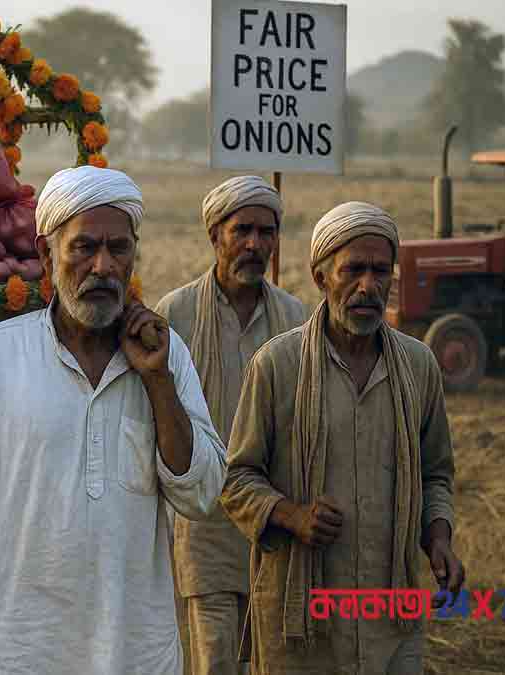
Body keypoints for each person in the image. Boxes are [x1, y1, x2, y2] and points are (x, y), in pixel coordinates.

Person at [0, 166, 227, 674]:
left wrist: (155, 379)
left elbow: (201, 494)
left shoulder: (165, 354)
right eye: (84, 248)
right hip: (21, 652)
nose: (103, 266)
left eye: (119, 249)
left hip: (137, 653)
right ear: (47, 255)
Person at [220, 202, 464, 674]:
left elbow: (436, 473)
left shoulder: (418, 366)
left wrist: (438, 540)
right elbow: (237, 479)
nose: (368, 286)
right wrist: (292, 515)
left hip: (391, 615)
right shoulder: (277, 366)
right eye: (353, 270)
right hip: (303, 619)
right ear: (321, 277)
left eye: (380, 271)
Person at [155, 176, 307, 675]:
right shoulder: (175, 313)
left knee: (272, 659)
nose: (255, 244)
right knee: (215, 657)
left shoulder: (295, 318)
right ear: (214, 235)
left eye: (267, 233)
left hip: (274, 524)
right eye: (243, 230)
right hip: (204, 524)